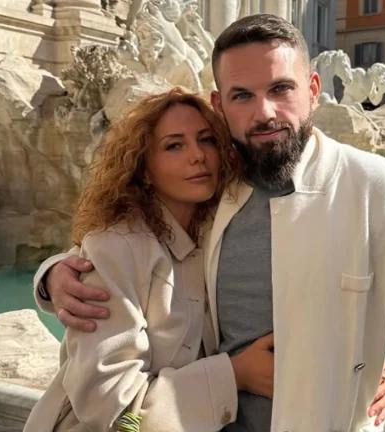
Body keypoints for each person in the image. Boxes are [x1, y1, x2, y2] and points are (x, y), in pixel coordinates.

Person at [36, 14, 385, 431]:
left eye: (281, 88)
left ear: (313, 90)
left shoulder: (378, 189)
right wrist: (54, 274)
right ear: (220, 105)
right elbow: (122, 249)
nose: (265, 112)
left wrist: (369, 365)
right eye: (242, 96)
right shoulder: (217, 192)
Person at [24, 88, 245, 431]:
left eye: (206, 140)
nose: (198, 155)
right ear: (144, 169)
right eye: (174, 145)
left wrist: (50, 273)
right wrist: (235, 376)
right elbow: (108, 403)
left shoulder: (218, 230)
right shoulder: (116, 247)